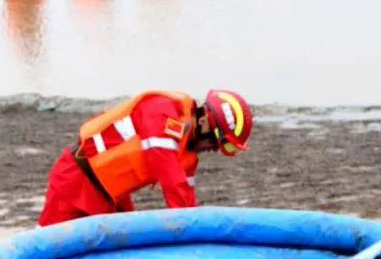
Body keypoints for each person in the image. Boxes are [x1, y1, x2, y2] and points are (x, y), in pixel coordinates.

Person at [38, 89, 254, 226]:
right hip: (75, 181)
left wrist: (194, 228)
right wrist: (188, 228)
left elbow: (186, 200)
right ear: (206, 121)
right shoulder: (161, 110)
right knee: (45, 248)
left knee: (121, 254)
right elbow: (169, 174)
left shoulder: (187, 152)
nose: (216, 149)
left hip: (112, 195)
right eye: (219, 142)